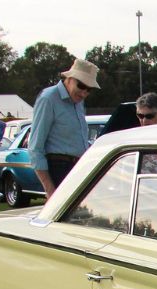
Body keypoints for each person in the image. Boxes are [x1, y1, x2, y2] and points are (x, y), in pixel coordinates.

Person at [29, 58, 100, 198]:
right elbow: (35, 148)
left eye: (89, 89)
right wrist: (50, 190)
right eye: (81, 86)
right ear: (69, 78)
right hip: (58, 169)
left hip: (78, 168)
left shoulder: (79, 102)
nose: (84, 93)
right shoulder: (48, 98)